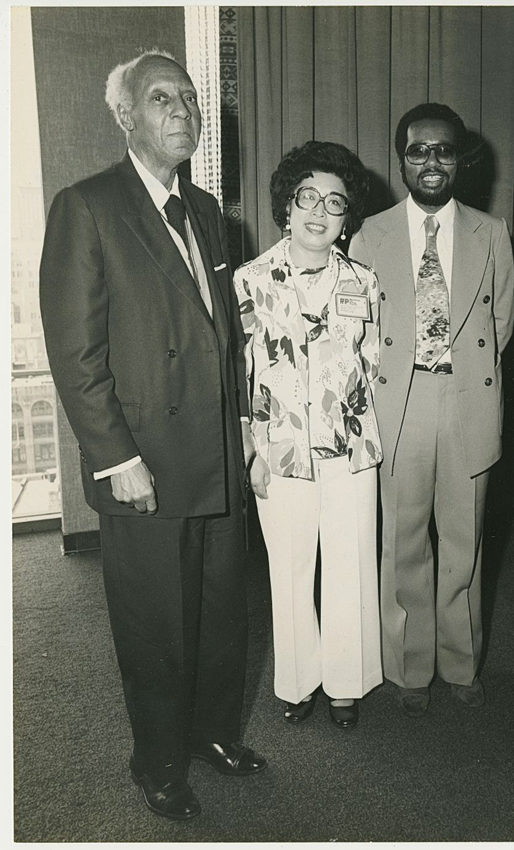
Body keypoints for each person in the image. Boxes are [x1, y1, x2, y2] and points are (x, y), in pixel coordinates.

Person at [39, 50, 266, 822]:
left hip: (216, 456)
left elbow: (224, 335)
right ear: (126, 115)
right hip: (144, 461)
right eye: (161, 97)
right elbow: (75, 356)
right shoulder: (88, 206)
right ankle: (158, 759)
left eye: (190, 97)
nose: (182, 109)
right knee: (157, 623)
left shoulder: (205, 212)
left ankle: (209, 734)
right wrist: (114, 458)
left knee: (222, 609)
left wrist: (244, 421)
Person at [349, 104, 514, 717]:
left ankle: (461, 661)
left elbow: (501, 326)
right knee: (404, 538)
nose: (432, 162)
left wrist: (462, 376)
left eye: (444, 151)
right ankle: (410, 666)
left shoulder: (491, 233)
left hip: (466, 396)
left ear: (460, 159)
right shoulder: (370, 234)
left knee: (464, 538)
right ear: (402, 161)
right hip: (399, 400)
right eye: (419, 151)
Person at [234, 141, 383, 730]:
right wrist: (252, 449)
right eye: (307, 197)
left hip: (350, 448)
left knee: (350, 562)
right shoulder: (250, 281)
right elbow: (239, 375)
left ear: (347, 220)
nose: (319, 212)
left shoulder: (365, 283)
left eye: (335, 203)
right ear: (287, 204)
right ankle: (297, 681)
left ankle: (346, 683)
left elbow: (372, 368)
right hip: (281, 448)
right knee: (289, 566)